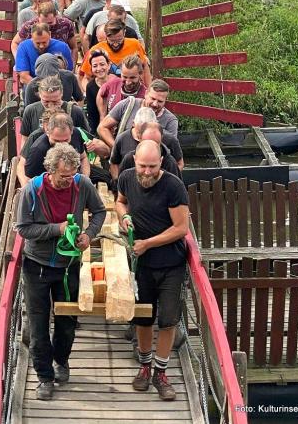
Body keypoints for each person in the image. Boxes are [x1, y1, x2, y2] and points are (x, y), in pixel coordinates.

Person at [17, 143, 106, 400]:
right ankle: (44, 377)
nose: (68, 181)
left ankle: (62, 361)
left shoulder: (82, 185)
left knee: (67, 321)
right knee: (38, 324)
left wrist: (89, 235)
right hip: (37, 266)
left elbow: (99, 211)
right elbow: (23, 228)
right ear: (50, 170)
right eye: (62, 176)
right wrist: (56, 230)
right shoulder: (31, 190)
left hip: (68, 266)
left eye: (71, 175)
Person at [115, 140, 189, 401]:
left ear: (161, 162)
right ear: (134, 160)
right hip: (141, 264)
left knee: (168, 319)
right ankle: (145, 367)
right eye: (143, 166)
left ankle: (161, 371)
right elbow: (120, 202)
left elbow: (181, 228)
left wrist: (148, 243)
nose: (147, 172)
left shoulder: (173, 185)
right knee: (143, 317)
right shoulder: (126, 178)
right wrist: (123, 216)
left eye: (153, 167)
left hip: (170, 263)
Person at [97, 79, 178, 149]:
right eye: (152, 98)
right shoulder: (128, 104)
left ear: (165, 100)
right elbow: (102, 127)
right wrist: (116, 148)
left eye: (160, 101)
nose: (155, 104)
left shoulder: (170, 120)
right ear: (146, 94)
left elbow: (172, 147)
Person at [80, 19, 151, 88]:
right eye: (112, 40)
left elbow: (145, 67)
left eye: (119, 40)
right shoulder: (96, 50)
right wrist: (88, 93)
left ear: (124, 33)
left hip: (133, 90)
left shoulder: (135, 44)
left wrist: (148, 89)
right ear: (106, 36)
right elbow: (86, 78)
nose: (116, 44)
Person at [110, 113, 183, 178]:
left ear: (162, 139)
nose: (151, 146)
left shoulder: (170, 163)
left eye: (155, 143)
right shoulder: (129, 159)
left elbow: (178, 189)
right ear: (139, 139)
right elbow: (121, 185)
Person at [25, 112, 90, 181]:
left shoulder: (76, 134)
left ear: (71, 132)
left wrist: (84, 180)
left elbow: (83, 158)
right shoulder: (38, 150)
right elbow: (29, 180)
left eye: (65, 140)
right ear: (48, 132)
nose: (61, 144)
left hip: (76, 178)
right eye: (56, 141)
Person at [13, 2, 78, 65]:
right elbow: (15, 43)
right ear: (38, 17)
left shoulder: (66, 24)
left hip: (58, 64)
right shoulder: (29, 26)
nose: (46, 26)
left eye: (50, 23)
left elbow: (74, 47)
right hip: (34, 65)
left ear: (56, 16)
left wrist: (72, 67)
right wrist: (19, 60)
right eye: (43, 22)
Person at [96, 54, 146, 120]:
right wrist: (102, 116)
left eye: (132, 78)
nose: (128, 82)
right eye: (125, 77)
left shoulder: (145, 95)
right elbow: (101, 93)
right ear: (121, 73)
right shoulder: (113, 84)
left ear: (140, 74)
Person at [85, 49, 115, 134]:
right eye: (95, 66)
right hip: (100, 126)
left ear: (108, 65)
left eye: (102, 64)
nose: (99, 68)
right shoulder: (90, 86)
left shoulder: (117, 82)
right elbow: (91, 113)